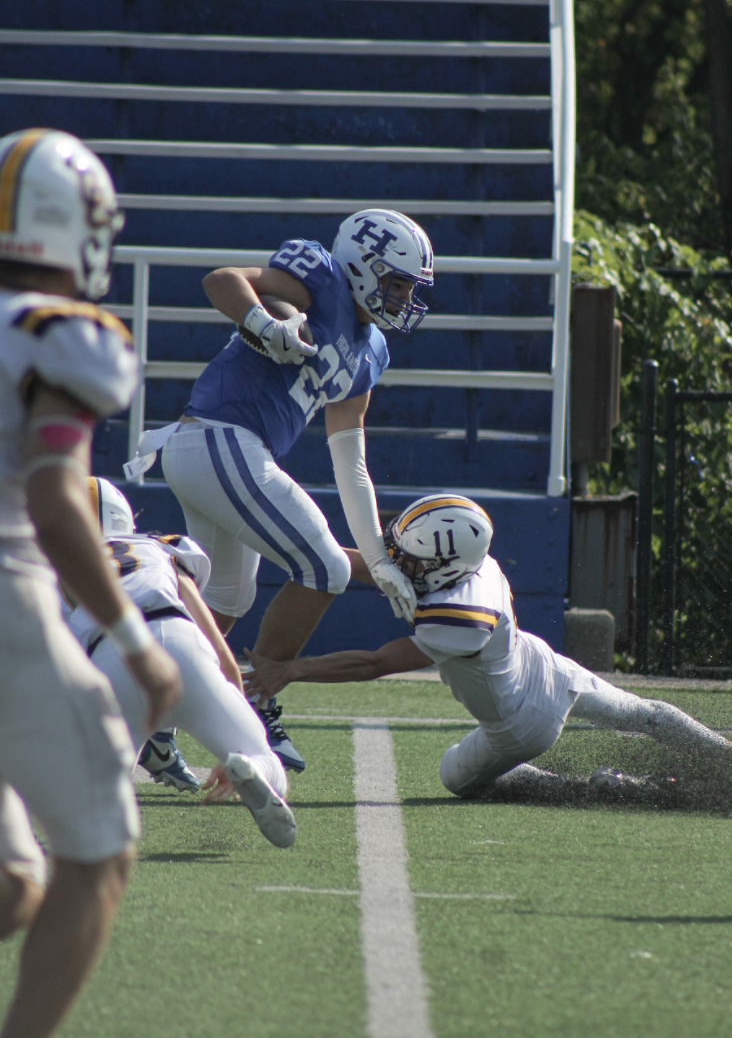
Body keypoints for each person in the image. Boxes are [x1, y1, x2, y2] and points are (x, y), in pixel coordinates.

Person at [125, 209, 434, 771]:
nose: (402, 298)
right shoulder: (320, 278)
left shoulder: (371, 353)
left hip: (223, 455)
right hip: (220, 438)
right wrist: (266, 326)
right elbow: (221, 280)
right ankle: (256, 695)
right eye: (396, 283)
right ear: (364, 267)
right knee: (324, 569)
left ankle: (151, 716)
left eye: (408, 288)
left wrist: (381, 560)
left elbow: (351, 464)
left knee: (225, 601)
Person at [0, 128, 180, 1038]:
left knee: (15, 885)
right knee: (100, 852)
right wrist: (139, 641)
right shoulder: (58, 335)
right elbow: (58, 502)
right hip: (6, 612)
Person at [241, 494, 732, 801]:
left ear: (442, 567)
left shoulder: (458, 615)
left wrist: (291, 670)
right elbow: (379, 569)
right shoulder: (470, 563)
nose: (396, 560)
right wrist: (315, 557)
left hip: (522, 725)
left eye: (407, 557)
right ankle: (723, 753)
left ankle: (576, 789)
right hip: (545, 665)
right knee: (641, 713)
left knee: (453, 777)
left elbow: (376, 663)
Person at [64, 478, 295, 847]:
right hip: (180, 642)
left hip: (110, 658)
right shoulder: (158, 547)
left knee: (99, 794)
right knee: (264, 757)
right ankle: (254, 768)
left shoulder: (57, 568)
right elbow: (219, 650)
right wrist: (233, 698)